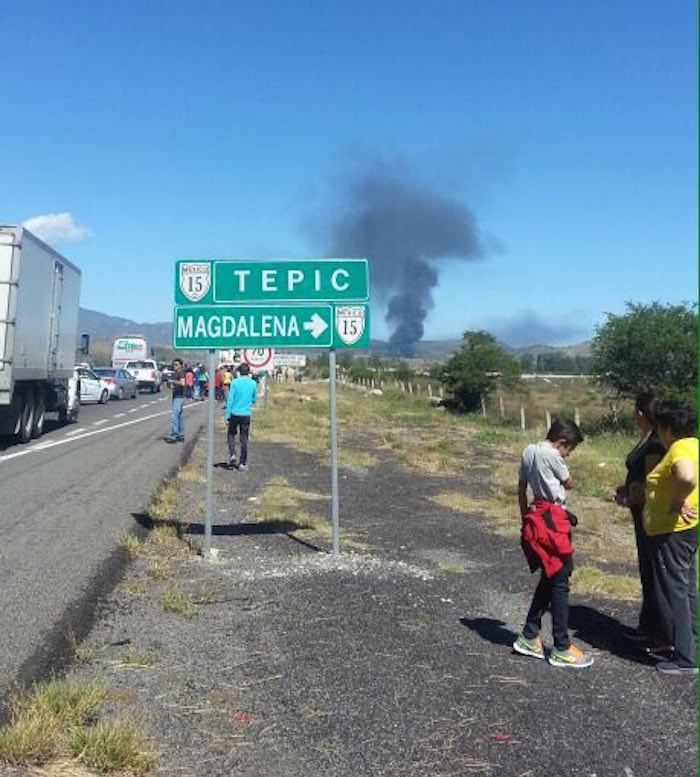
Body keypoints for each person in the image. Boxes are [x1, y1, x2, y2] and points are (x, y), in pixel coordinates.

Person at [513, 419, 594, 668]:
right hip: (553, 520)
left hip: (536, 514)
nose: (568, 455)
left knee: (550, 576)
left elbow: (521, 488)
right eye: (570, 450)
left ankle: (529, 635)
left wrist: (525, 517)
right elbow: (568, 482)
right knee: (560, 580)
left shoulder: (529, 450)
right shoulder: (552, 455)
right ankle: (561, 646)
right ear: (562, 443)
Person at [643, 402, 698, 675]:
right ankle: (692, 647)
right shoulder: (695, 445)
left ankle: (686, 658)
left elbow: (687, 476)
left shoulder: (679, 448)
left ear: (667, 429)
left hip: (671, 531)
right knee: (687, 588)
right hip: (687, 529)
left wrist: (677, 500)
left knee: (675, 591)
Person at [615, 391, 666, 644]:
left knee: (653, 568)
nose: (633, 415)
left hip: (649, 513)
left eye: (635, 411)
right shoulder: (647, 437)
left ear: (641, 413)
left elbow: (650, 484)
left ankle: (659, 631)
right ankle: (648, 625)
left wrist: (628, 499)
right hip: (640, 512)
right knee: (646, 568)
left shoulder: (655, 443)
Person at [225, 363, 257, 470]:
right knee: (244, 438)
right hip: (245, 414)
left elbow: (230, 400)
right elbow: (254, 399)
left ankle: (232, 454)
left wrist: (227, 415)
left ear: (239, 372)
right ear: (248, 372)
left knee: (231, 434)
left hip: (234, 413)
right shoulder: (253, 383)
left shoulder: (234, 382)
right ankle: (242, 463)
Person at [166, 359, 186, 443]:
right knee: (179, 416)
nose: (175, 366)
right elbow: (174, 385)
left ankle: (174, 435)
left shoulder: (181, 372)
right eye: (174, 364)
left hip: (179, 397)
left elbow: (182, 383)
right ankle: (181, 435)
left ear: (181, 365)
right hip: (177, 395)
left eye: (176, 364)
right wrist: (170, 384)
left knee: (174, 416)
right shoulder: (176, 373)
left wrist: (172, 381)